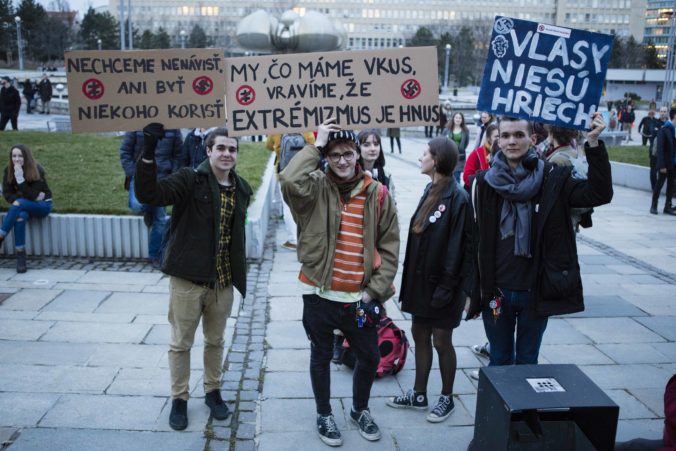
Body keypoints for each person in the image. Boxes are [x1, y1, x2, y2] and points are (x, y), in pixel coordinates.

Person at [279, 118, 399, 447]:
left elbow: (390, 247)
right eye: (334, 155)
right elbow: (289, 180)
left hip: (360, 298)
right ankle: (324, 413)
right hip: (318, 293)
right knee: (320, 356)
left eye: (348, 153)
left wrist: (374, 292)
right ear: (326, 158)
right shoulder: (314, 187)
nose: (342, 161)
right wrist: (315, 145)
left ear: (358, 154)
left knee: (370, 357)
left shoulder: (377, 193)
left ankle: (359, 409)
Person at [466, 113, 613, 367]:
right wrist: (471, 288)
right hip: (496, 293)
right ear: (497, 141)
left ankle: (524, 409)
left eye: (519, 135)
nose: (512, 141)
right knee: (499, 358)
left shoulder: (553, 178)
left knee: (527, 361)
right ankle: (500, 408)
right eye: (506, 135)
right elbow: (473, 239)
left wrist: (593, 144)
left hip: (534, 293)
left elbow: (599, 193)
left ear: (532, 139)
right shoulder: (483, 184)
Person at [135, 124, 252, 431]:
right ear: (208, 150)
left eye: (232, 149)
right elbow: (150, 193)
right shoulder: (190, 179)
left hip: (222, 283)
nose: (227, 154)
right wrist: (148, 152)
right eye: (221, 148)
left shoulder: (241, 188)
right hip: (188, 281)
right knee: (180, 344)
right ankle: (179, 400)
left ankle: (213, 392)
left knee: (216, 341)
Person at [386, 137, 471, 423]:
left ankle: (446, 397)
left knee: (441, 340)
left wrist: (447, 288)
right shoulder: (430, 189)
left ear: (436, 160)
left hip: (444, 286)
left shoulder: (458, 198)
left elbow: (459, 247)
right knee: (419, 334)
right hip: (421, 284)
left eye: (425, 153)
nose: (421, 157)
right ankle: (419, 394)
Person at [330, 128, 396, 364]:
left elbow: (391, 215)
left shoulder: (384, 175)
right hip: (352, 245)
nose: (372, 148)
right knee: (346, 299)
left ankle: (371, 339)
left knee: (371, 300)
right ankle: (340, 340)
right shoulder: (345, 174)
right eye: (366, 144)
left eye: (375, 143)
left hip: (375, 244)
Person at [119, 128, 183, 268]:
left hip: (162, 177)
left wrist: (172, 173)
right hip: (140, 176)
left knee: (160, 219)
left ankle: (155, 256)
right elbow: (125, 151)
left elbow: (179, 154)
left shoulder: (174, 128)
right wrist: (134, 173)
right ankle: (148, 208)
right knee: (136, 205)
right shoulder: (136, 126)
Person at [1, 144, 53, 273]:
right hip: (25, 205)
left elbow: (33, 194)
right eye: (14, 156)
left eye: (20, 156)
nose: (17, 159)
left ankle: (1, 236)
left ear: (26, 157)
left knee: (19, 203)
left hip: (43, 205)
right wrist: (24, 197)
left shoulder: (36, 169)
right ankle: (21, 256)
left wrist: (20, 179)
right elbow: (7, 195)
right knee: (20, 216)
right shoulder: (8, 170)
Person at [266, 132, 316, 250]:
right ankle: (306, 237)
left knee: (287, 206)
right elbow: (313, 144)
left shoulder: (276, 129)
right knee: (305, 204)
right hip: (303, 172)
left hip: (284, 172)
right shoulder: (305, 128)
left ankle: (293, 239)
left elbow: (268, 146)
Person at [651, 107, 676, 216]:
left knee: (671, 185)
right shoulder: (665, 129)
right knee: (659, 185)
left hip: (674, 164)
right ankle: (654, 205)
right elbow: (660, 149)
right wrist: (661, 165)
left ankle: (668, 206)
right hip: (665, 164)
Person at [463, 123, 498, 189]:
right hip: (482, 193)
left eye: (502, 136)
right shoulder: (477, 153)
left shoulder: (506, 153)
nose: (499, 139)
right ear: (488, 138)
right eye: (496, 137)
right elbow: (467, 177)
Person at [446, 112, 470, 184]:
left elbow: (466, 143)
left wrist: (460, 149)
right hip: (449, 157)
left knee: (457, 176)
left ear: (462, 120)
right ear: (453, 118)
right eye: (456, 117)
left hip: (460, 157)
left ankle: (457, 193)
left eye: (460, 118)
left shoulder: (465, 131)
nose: (458, 119)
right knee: (448, 177)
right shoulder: (447, 130)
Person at [649, 107, 669, 191]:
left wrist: (660, 130)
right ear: (659, 112)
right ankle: (654, 189)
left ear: (667, 113)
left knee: (664, 172)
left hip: (666, 152)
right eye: (661, 111)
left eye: (664, 111)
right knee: (653, 171)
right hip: (654, 151)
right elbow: (653, 132)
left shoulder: (669, 123)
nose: (663, 113)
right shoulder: (654, 122)